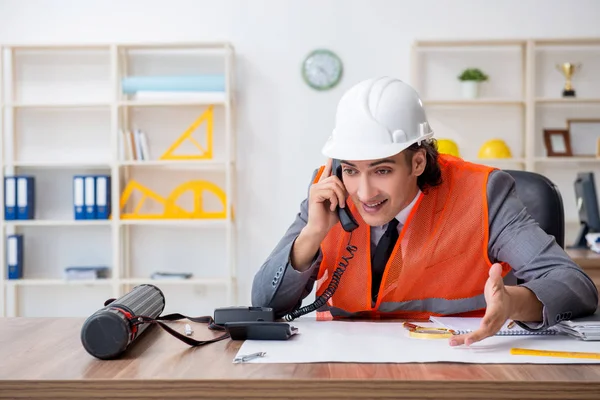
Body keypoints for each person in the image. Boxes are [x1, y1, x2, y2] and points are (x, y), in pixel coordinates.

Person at [251, 76, 598, 346]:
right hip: (344, 369)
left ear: (417, 162)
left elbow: (576, 286)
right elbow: (264, 304)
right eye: (352, 170)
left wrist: (514, 303)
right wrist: (312, 234)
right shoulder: (327, 194)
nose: (364, 192)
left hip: (455, 362)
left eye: (382, 170)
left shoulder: (484, 195)